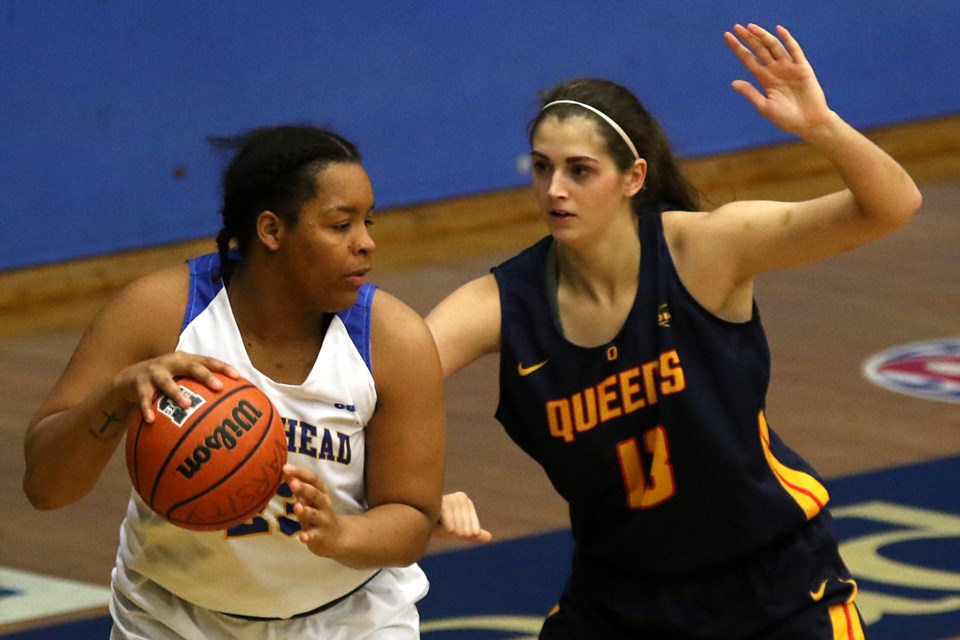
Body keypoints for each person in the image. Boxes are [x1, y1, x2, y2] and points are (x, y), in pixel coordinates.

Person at [429, 23, 921, 639]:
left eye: (580, 170)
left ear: (632, 177)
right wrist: (419, 494)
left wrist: (820, 125)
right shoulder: (502, 303)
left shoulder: (703, 249)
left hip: (774, 581)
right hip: (623, 598)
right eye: (542, 167)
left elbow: (892, 206)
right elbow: (379, 384)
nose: (555, 190)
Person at [22, 124, 446, 638]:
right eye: (341, 225)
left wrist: (344, 534)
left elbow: (412, 517)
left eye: (367, 221)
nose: (366, 244)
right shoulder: (160, 314)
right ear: (271, 230)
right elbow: (45, 488)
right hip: (172, 619)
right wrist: (115, 394)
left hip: (348, 621)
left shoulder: (393, 340)